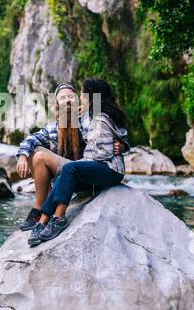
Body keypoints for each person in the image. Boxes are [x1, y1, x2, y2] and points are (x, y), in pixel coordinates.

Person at [27, 77, 129, 247]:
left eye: (81, 95)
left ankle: (59, 218)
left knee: (70, 169)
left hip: (110, 169)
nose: (79, 98)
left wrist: (121, 147)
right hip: (101, 168)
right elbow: (119, 135)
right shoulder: (94, 116)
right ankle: (42, 221)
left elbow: (102, 154)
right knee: (63, 177)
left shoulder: (101, 118)